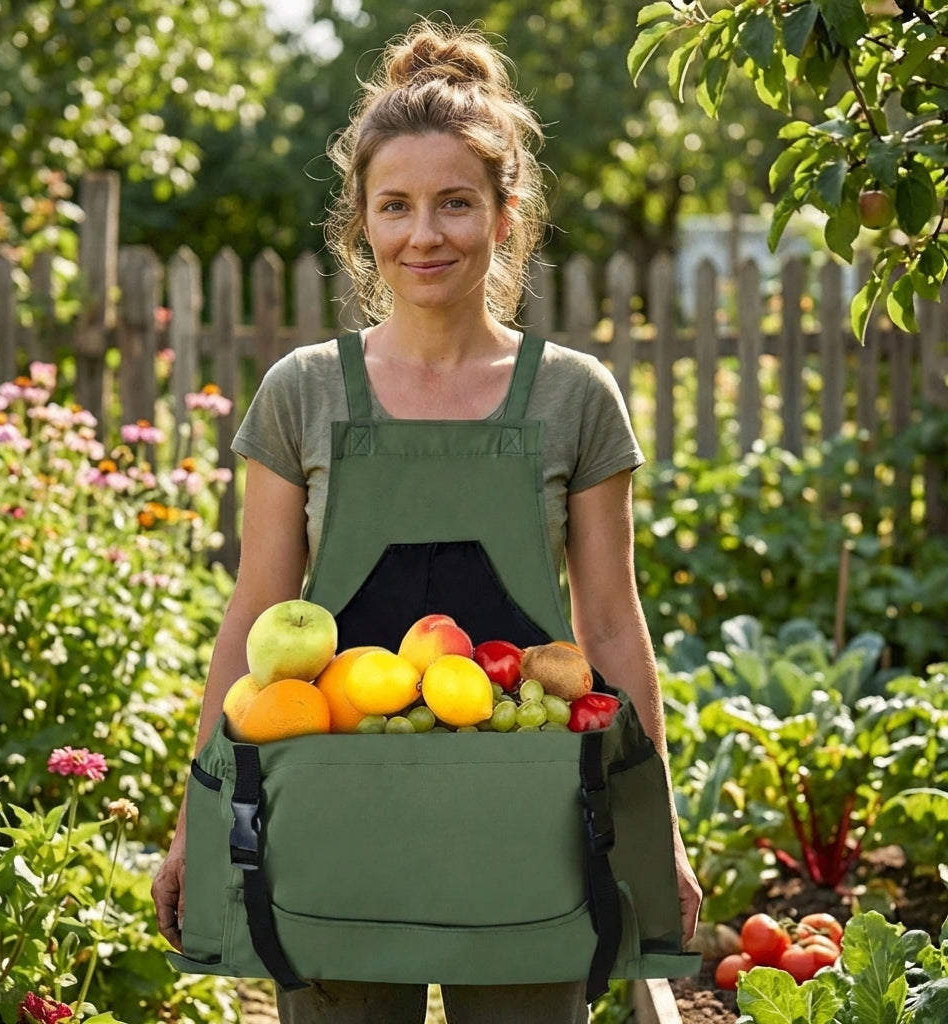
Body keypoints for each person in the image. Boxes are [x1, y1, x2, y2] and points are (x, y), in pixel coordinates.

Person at [152, 17, 702, 1023]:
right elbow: (255, 615)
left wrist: (649, 823)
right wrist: (199, 815)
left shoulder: (573, 396)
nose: (424, 234)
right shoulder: (303, 392)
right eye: (394, 205)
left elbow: (613, 626)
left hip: (528, 813)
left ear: (505, 210)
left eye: (455, 203)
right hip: (334, 809)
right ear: (359, 219)